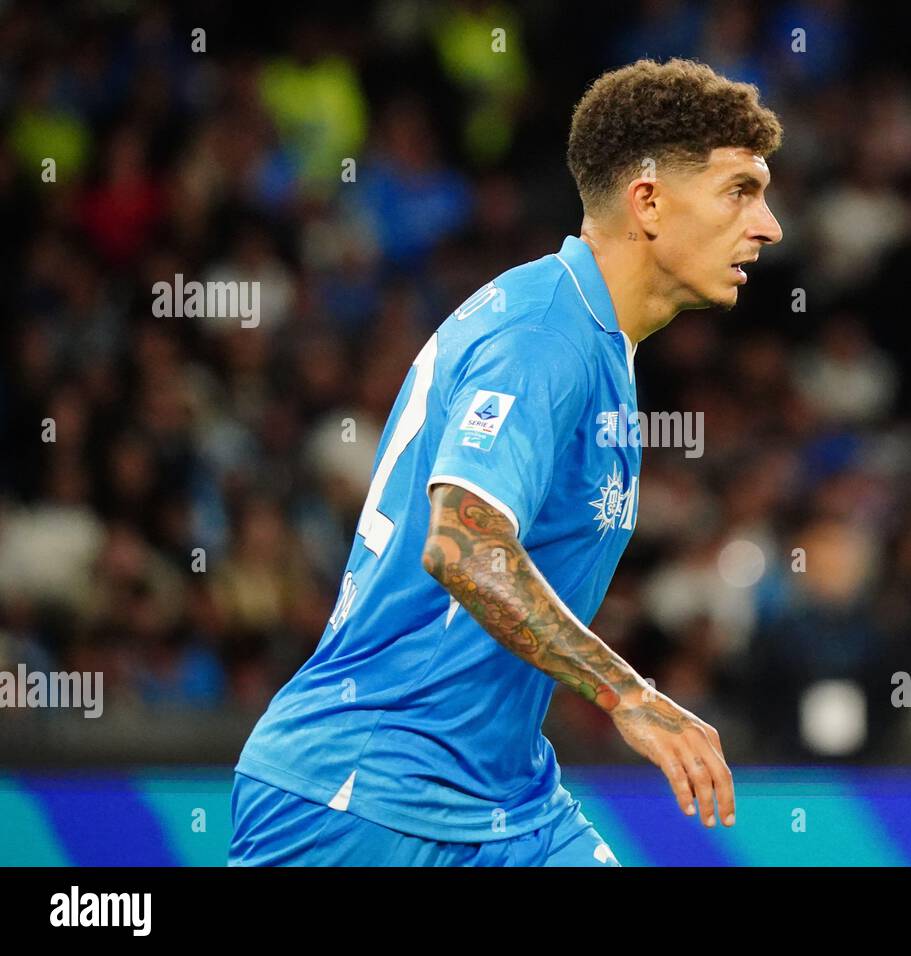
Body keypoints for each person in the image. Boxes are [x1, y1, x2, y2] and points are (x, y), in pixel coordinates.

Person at [228, 57, 784, 866]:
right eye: (741, 190)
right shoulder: (543, 336)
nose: (769, 225)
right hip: (367, 792)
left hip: (505, 800)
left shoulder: (596, 340)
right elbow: (460, 545)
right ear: (650, 202)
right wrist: (630, 695)